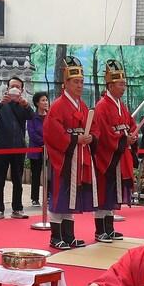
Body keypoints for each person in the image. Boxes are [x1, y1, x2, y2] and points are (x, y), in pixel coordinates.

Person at [43, 55, 94, 249]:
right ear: (66, 83)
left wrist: (90, 138)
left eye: (81, 82)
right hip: (63, 158)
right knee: (60, 195)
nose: (80, 86)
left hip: (77, 157)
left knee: (72, 196)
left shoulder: (82, 105)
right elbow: (52, 132)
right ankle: (56, 236)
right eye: (76, 82)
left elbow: (93, 127)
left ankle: (69, 235)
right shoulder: (57, 106)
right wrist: (74, 139)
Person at [91, 59, 137, 238]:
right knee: (104, 192)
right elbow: (104, 133)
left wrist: (131, 137)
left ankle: (109, 228)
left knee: (112, 193)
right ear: (110, 85)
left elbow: (130, 124)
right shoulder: (102, 106)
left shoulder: (121, 106)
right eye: (120, 84)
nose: (124, 88)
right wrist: (124, 139)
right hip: (107, 156)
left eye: (124, 84)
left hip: (118, 155)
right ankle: (100, 230)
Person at [0, 79, 33, 219]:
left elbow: (32, 117)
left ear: (22, 90)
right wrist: (1, 103)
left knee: (17, 180)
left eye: (17, 87)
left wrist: (25, 105)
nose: (14, 89)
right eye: (12, 86)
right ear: (7, 89)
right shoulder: (2, 103)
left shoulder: (23, 104)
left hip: (19, 146)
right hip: (2, 145)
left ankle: (17, 208)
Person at [27, 90, 50, 206]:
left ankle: (49, 196)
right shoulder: (32, 117)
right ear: (37, 103)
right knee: (36, 174)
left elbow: (54, 131)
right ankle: (35, 198)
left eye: (46, 100)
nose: (45, 102)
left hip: (49, 150)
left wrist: (48, 143)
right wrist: (43, 143)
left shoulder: (51, 116)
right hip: (36, 150)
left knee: (50, 174)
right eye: (43, 100)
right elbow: (32, 133)